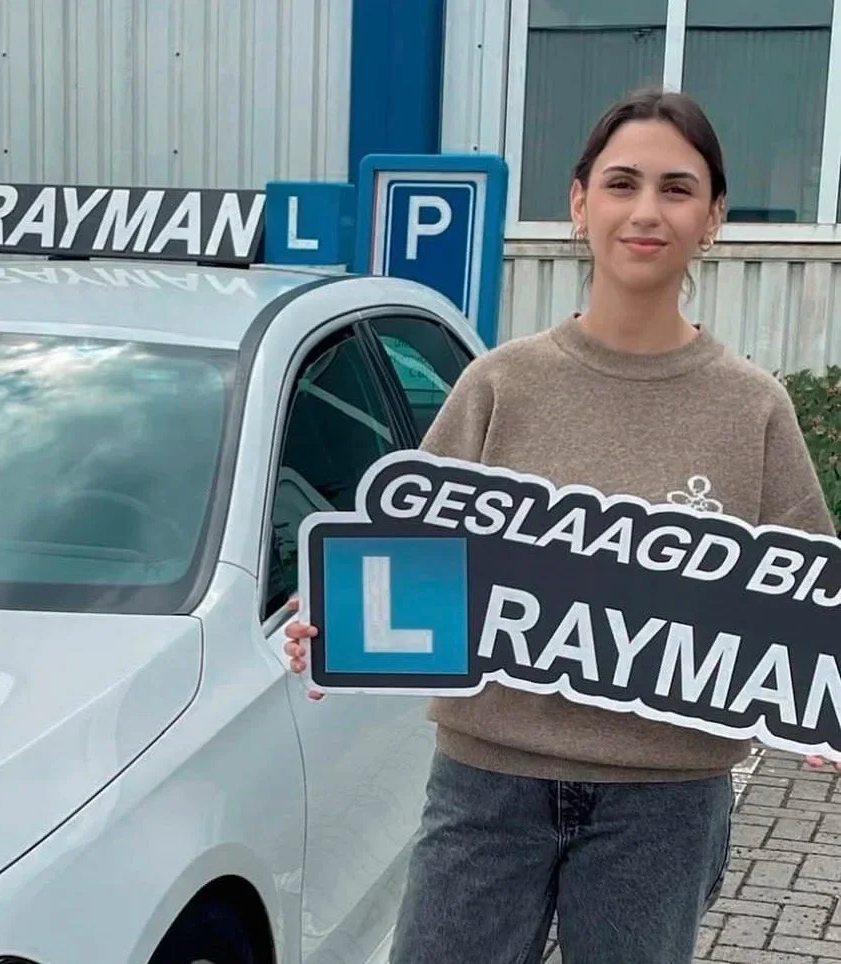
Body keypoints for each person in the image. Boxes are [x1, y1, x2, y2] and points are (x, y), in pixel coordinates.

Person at [282, 85, 841, 964]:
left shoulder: (753, 408)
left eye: (677, 188)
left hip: (665, 798)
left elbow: (806, 599)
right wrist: (337, 622)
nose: (646, 211)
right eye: (621, 184)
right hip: (487, 780)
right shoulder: (501, 386)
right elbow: (404, 560)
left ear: (714, 217)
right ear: (580, 203)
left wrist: (819, 701)